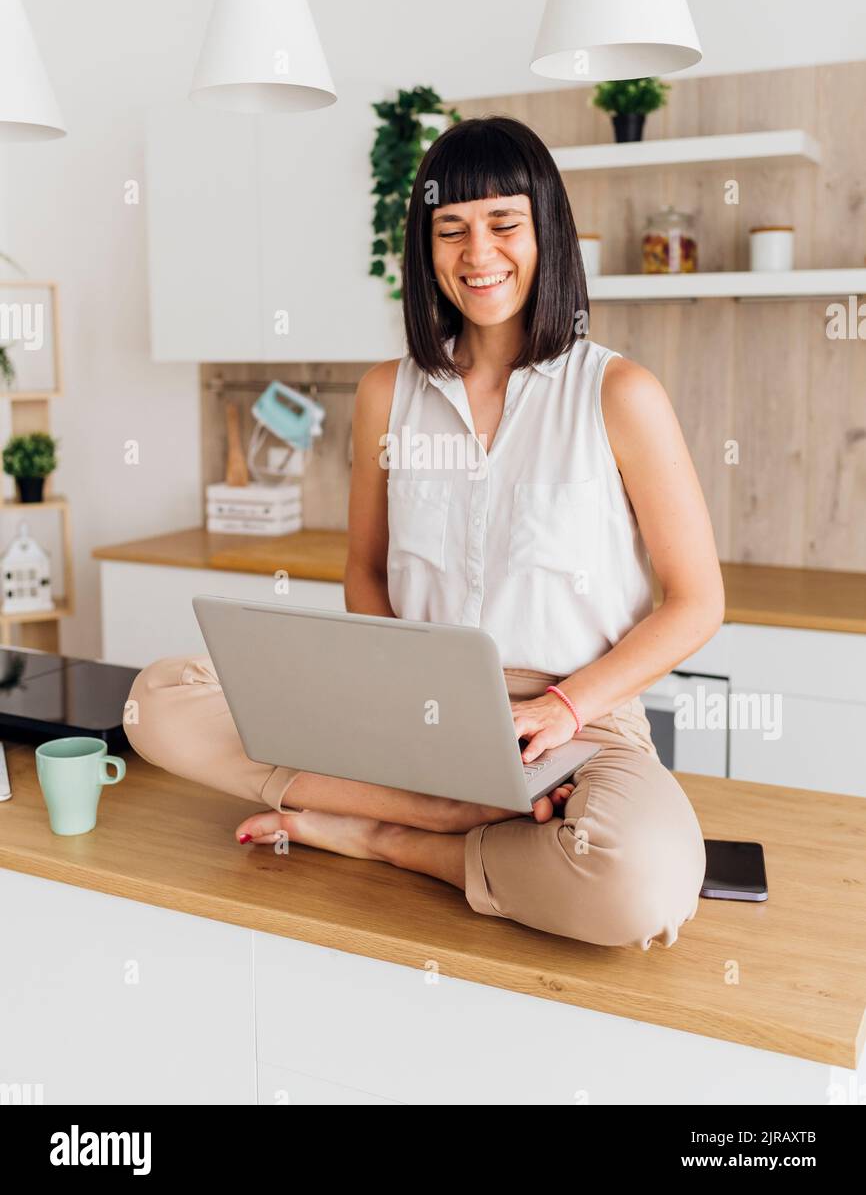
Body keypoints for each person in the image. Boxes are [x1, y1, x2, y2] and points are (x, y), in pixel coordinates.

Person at [127, 116, 723, 949]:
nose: (479, 254)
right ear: (426, 249)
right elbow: (364, 572)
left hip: (582, 720)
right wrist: (388, 703)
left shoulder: (619, 394)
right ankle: (458, 810)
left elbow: (696, 603)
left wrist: (562, 707)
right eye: (452, 230)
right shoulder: (387, 394)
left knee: (639, 885)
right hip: (420, 710)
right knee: (155, 702)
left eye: (503, 224)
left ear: (545, 229)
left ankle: (386, 836)